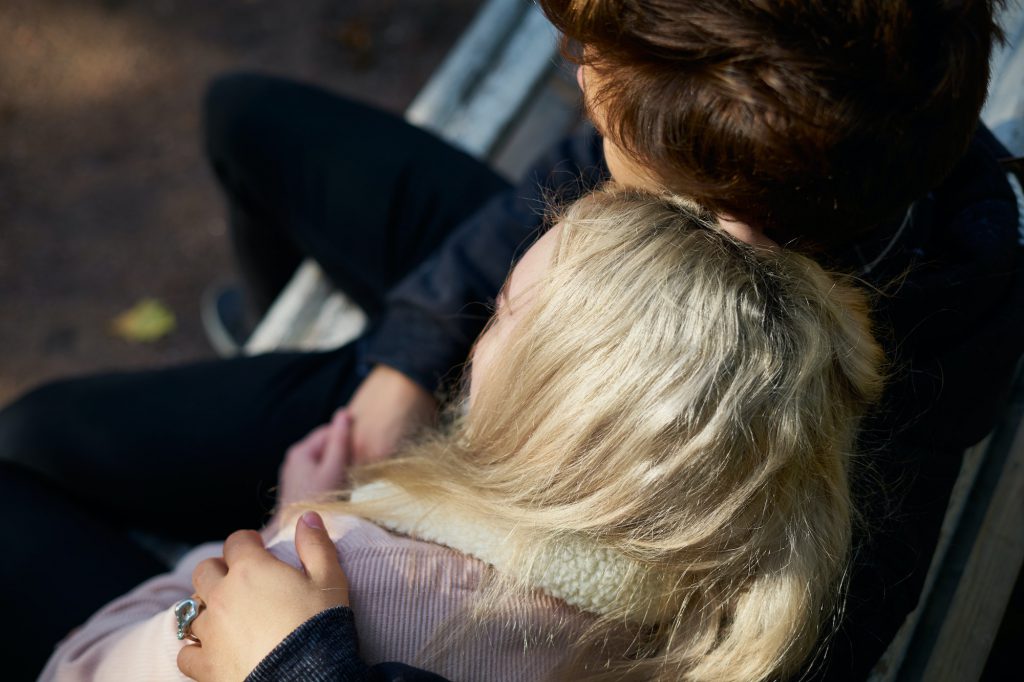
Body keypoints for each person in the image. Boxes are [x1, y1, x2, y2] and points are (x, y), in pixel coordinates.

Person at [0, 0, 1020, 677]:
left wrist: (310, 623)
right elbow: (562, 180)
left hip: (524, 469)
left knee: (40, 439)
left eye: (592, 68)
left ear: (722, 230)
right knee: (249, 118)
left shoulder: (828, 461)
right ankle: (342, 360)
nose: (578, 81)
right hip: (485, 406)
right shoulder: (845, 149)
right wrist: (399, 365)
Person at [41, 188, 885, 682]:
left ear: (559, 396)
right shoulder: (718, 618)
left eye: (505, 312)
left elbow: (77, 667)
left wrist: (279, 534)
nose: (480, 332)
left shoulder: (328, 587)